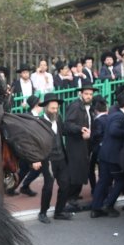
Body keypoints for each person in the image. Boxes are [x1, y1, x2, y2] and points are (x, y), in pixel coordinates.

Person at [90, 91, 124, 218]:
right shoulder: (120, 117)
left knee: (103, 181)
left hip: (105, 154)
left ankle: (96, 208)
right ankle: (108, 204)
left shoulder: (113, 113)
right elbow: (114, 130)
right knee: (122, 180)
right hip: (113, 157)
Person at [36, 93, 72, 223]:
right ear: (46, 108)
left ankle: (59, 211)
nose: (55, 111)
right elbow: (35, 143)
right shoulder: (39, 122)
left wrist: (79, 130)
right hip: (48, 160)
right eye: (53, 108)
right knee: (48, 187)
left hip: (61, 158)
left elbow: (65, 131)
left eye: (56, 108)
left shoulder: (59, 118)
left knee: (65, 184)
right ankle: (43, 213)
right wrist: (35, 159)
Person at [63, 81, 96, 205]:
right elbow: (68, 124)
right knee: (75, 170)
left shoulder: (90, 107)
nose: (88, 96)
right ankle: (70, 197)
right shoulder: (75, 106)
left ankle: (75, 194)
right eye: (86, 94)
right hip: (75, 143)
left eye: (90, 94)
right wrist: (80, 129)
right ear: (81, 94)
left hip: (85, 143)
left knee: (82, 169)